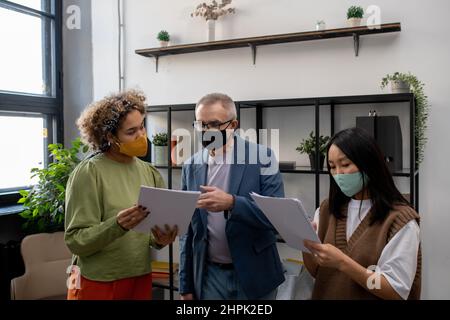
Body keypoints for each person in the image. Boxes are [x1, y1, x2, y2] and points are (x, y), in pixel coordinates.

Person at [64, 90, 178, 300]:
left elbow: (150, 235)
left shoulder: (148, 171)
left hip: (140, 275)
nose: (141, 135)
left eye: (142, 126)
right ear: (109, 136)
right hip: (97, 280)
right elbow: (75, 240)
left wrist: (160, 238)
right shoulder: (89, 172)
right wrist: (117, 225)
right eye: (131, 131)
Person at [179, 93, 285, 300]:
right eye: (201, 125)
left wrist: (232, 203)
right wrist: (186, 285)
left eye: (215, 124)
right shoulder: (191, 166)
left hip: (255, 274)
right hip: (209, 276)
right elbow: (188, 231)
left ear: (233, 124)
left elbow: (277, 217)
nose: (207, 131)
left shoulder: (263, 158)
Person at [303, 127, 421, 300]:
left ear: (369, 164)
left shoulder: (400, 221)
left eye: (345, 164)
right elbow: (317, 272)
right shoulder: (327, 209)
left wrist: (343, 262)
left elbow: (394, 291)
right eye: (332, 166)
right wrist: (306, 245)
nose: (338, 174)